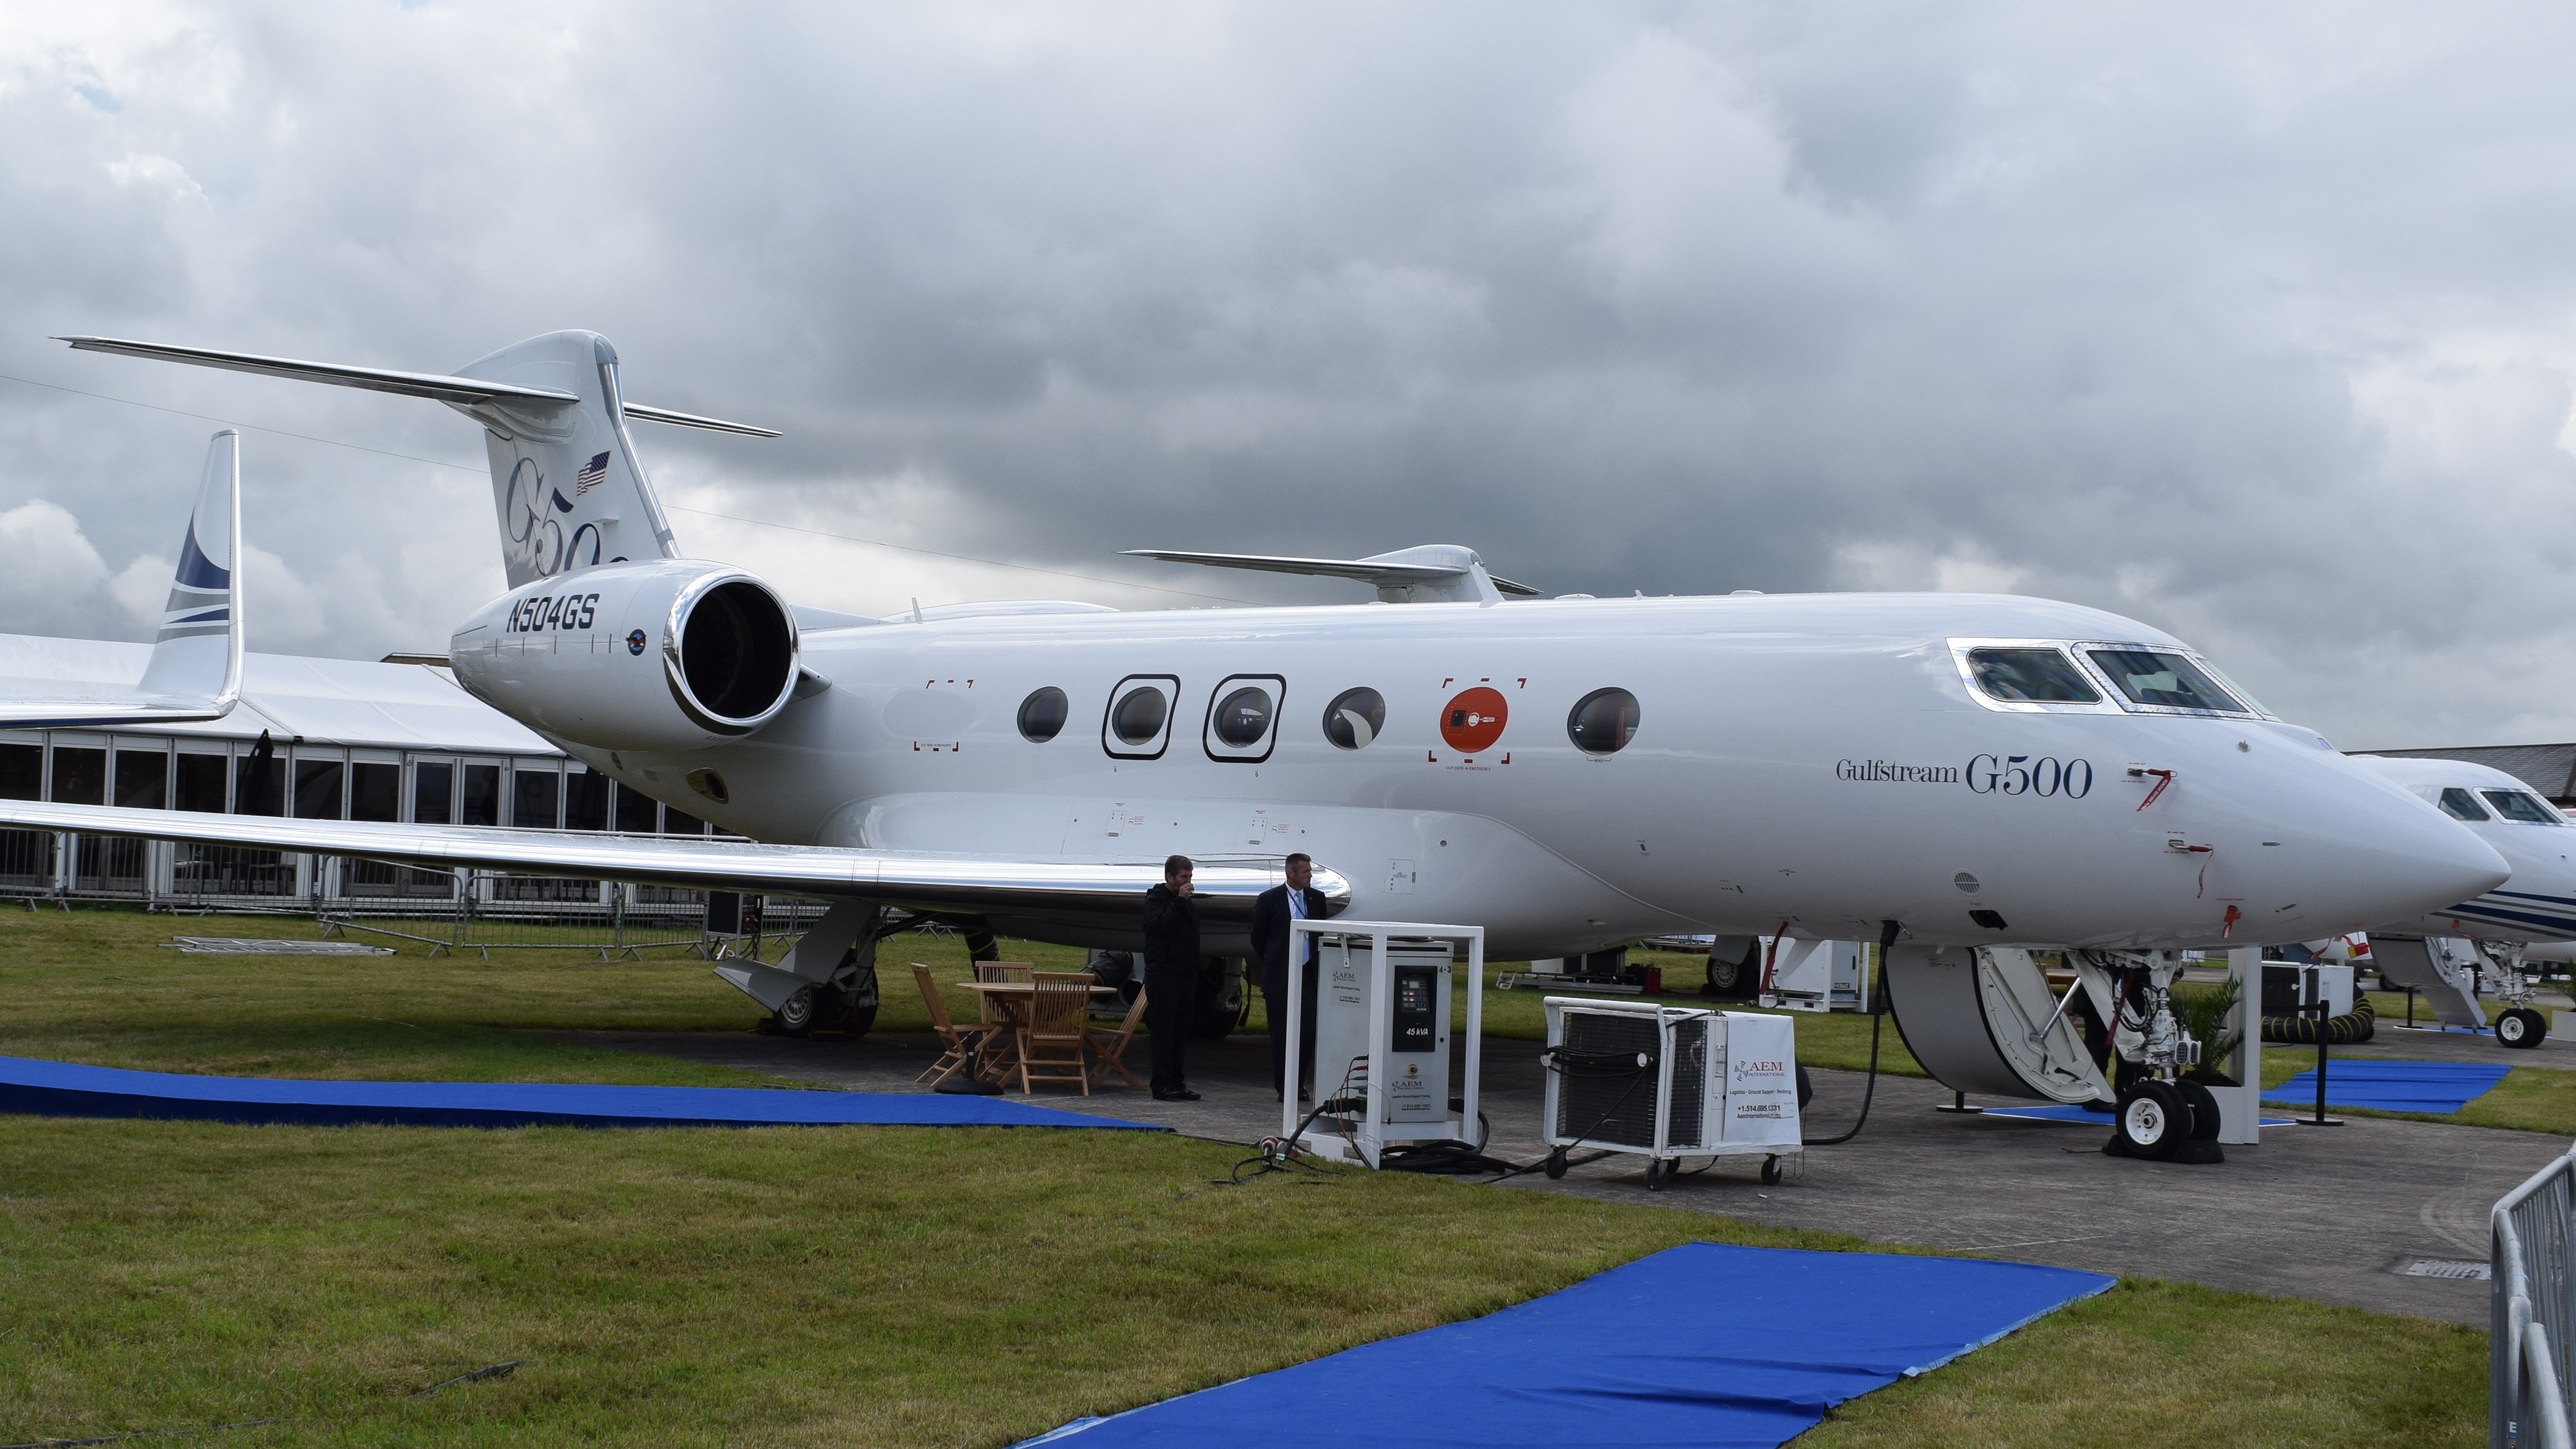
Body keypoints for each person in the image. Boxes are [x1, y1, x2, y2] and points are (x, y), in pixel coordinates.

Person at [1250, 853, 1328, 1103]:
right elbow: (1258, 938)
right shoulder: (1269, 900)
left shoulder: (1317, 899)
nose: (1310, 875)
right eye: (1305, 871)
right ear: (1291, 873)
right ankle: (1285, 1087)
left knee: (1307, 1031)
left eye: (1310, 871)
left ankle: (1299, 1083)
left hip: (1308, 973)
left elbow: (1319, 933)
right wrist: (1276, 961)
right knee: (1282, 1033)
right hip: (1281, 976)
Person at [1140, 854, 1201, 1101]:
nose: (1188, 882)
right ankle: (1162, 1084)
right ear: (1170, 878)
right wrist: (1179, 901)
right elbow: (1162, 925)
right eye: (1183, 877)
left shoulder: (1186, 903)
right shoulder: (1156, 900)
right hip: (1163, 977)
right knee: (1164, 1032)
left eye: (1190, 877)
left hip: (1186, 976)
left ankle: (1177, 1081)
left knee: (1180, 1033)